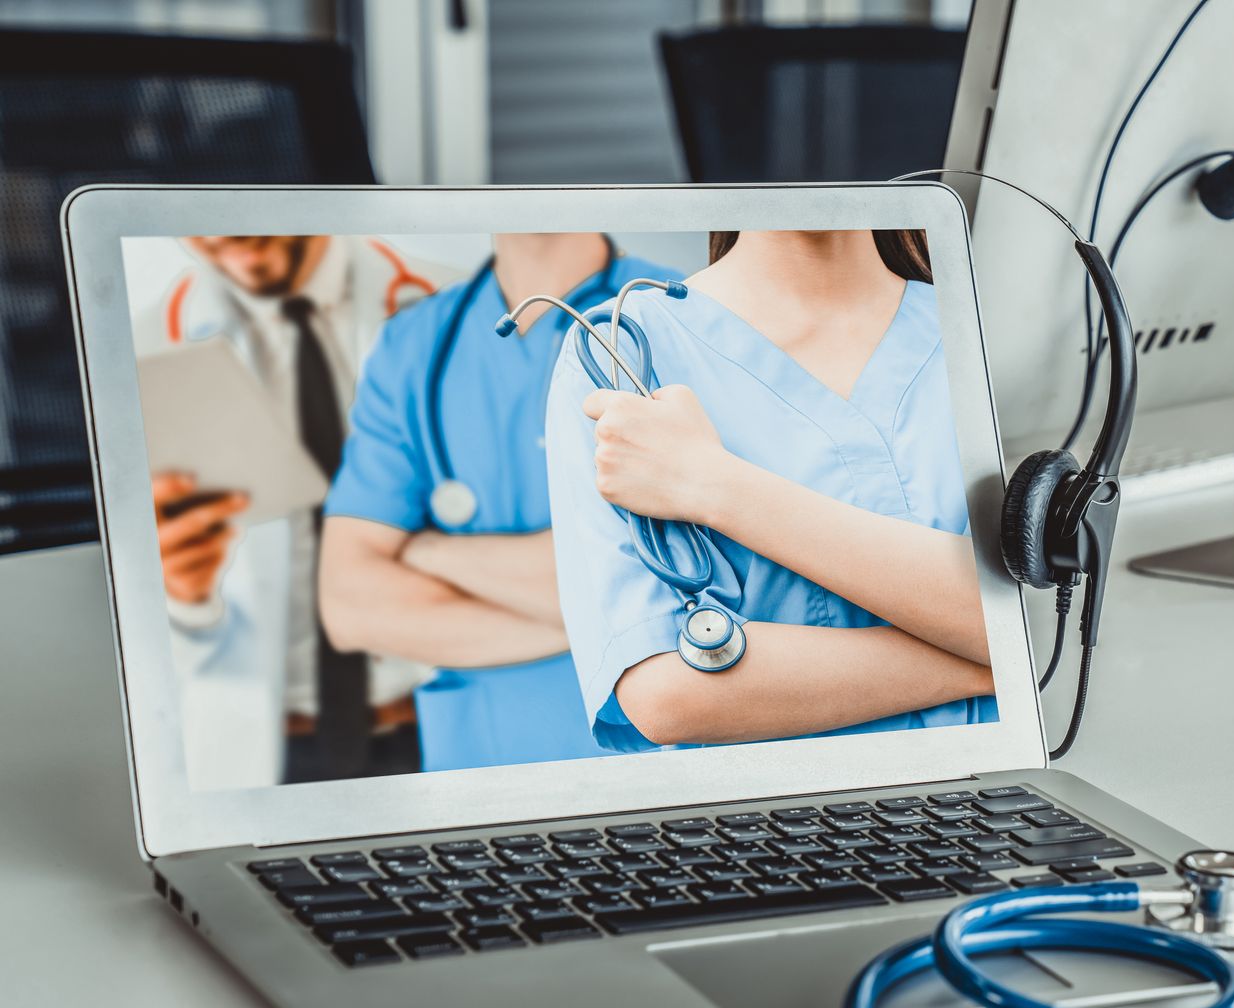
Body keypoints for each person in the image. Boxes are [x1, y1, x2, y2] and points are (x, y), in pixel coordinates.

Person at [545, 228, 996, 752]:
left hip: (1002, 809)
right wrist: (995, 659)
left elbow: (1061, 613)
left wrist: (712, 482)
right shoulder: (619, 350)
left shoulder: (987, 328)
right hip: (776, 823)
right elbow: (669, 694)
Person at [317, 234, 681, 771]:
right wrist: (617, 626)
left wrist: (425, 550)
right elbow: (350, 606)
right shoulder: (415, 343)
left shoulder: (678, 311)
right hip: (480, 768)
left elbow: (714, 576)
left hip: (662, 765)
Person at [132, 235, 456, 788]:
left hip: (447, 726)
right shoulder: (137, 345)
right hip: (267, 753)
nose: (224, 240)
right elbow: (122, 630)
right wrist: (180, 596)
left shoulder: (462, 308)